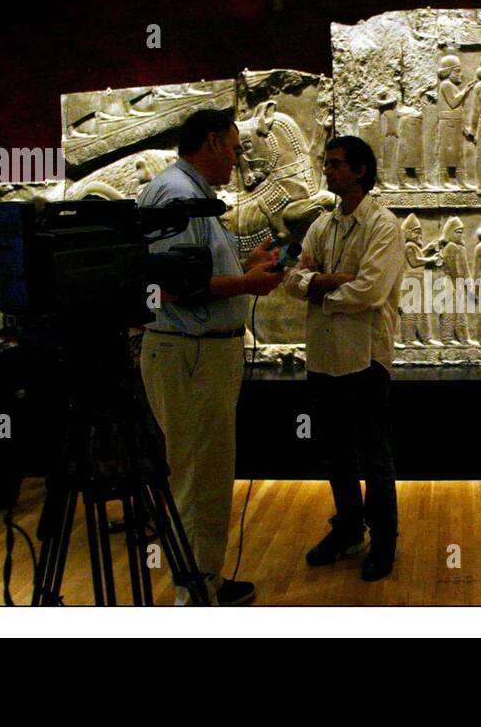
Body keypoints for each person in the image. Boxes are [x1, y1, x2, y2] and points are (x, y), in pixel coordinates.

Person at [137, 108, 285, 605]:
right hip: (192, 356)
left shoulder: (192, 196)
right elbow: (175, 288)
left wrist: (246, 267)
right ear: (214, 143)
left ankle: (206, 580)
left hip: (198, 356)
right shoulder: (178, 197)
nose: (239, 160)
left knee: (206, 472)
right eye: (237, 148)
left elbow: (194, 272)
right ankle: (195, 593)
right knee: (199, 477)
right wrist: (248, 282)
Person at [284, 136, 405, 581]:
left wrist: (319, 288)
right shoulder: (321, 225)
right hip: (323, 356)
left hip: (366, 357)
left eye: (335, 164)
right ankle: (349, 528)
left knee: (374, 455)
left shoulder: (383, 225)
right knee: (334, 452)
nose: (327, 171)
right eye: (326, 163)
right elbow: (292, 281)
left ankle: (385, 539)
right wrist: (328, 281)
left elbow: (371, 291)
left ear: (359, 170)